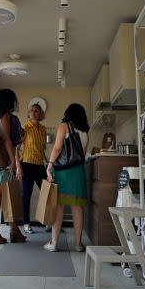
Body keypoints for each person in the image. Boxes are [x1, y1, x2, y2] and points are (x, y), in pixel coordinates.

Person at [0, 88, 27, 245]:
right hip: (3, 161)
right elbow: (8, 140)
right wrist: (13, 161)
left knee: (2, 193)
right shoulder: (5, 116)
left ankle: (11, 230)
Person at [44, 103, 89, 252]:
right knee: (77, 208)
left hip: (63, 172)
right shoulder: (85, 132)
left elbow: (57, 148)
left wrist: (49, 165)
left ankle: (54, 243)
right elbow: (81, 154)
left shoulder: (64, 126)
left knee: (58, 207)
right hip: (77, 172)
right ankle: (78, 244)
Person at [20, 102, 47, 233]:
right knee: (26, 195)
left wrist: (48, 164)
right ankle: (26, 224)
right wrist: (18, 166)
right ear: (28, 114)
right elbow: (16, 148)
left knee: (48, 193)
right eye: (31, 110)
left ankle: (48, 221)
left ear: (40, 114)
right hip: (27, 165)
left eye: (37, 111)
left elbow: (42, 149)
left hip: (40, 166)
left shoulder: (43, 129)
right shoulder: (25, 128)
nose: (34, 112)